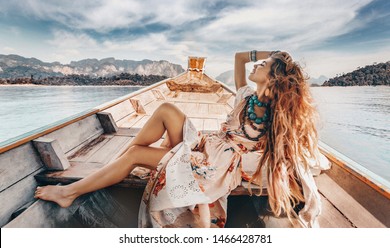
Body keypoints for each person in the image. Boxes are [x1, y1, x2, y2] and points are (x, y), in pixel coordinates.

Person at [35, 50, 330, 228]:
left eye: (264, 65)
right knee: (165, 109)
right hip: (209, 145)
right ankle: (117, 169)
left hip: (217, 165)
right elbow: (240, 58)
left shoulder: (280, 113)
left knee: (137, 153)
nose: (256, 66)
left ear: (275, 78)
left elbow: (284, 153)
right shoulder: (245, 96)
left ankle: (70, 192)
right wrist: (276, 53)